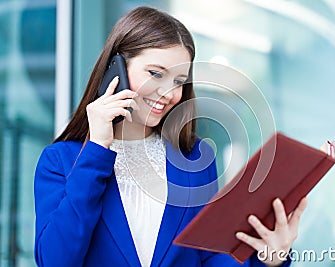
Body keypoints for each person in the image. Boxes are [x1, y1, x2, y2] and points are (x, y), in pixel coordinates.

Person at [34, 6, 307, 267]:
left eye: (178, 81)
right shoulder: (61, 161)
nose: (168, 93)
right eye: (155, 73)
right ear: (115, 68)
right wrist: (97, 149)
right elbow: (56, 260)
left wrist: (270, 260)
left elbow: (210, 257)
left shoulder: (195, 158)